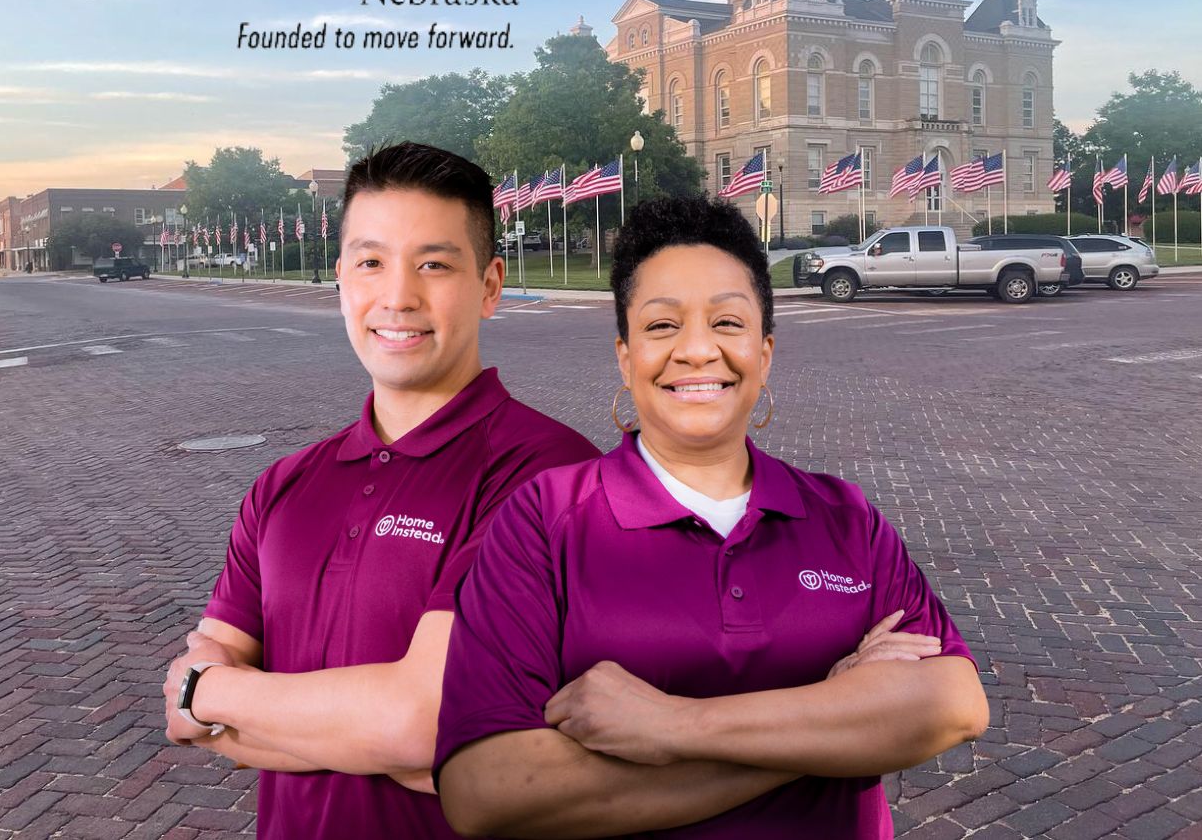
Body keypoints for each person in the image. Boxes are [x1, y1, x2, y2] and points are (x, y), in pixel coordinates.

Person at [435, 194, 988, 838]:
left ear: (765, 352)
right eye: (663, 326)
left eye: (727, 323)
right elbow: (488, 790)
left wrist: (673, 726)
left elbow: (953, 704)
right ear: (625, 356)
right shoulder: (543, 520)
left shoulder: (843, 516)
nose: (698, 351)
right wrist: (836, 722)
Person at [161, 142, 599, 838]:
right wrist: (381, 736)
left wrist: (210, 692)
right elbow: (183, 717)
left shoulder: (551, 476)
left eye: (434, 263)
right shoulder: (284, 486)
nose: (397, 296)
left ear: (490, 286)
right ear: (341, 280)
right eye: (370, 262)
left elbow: (422, 720)